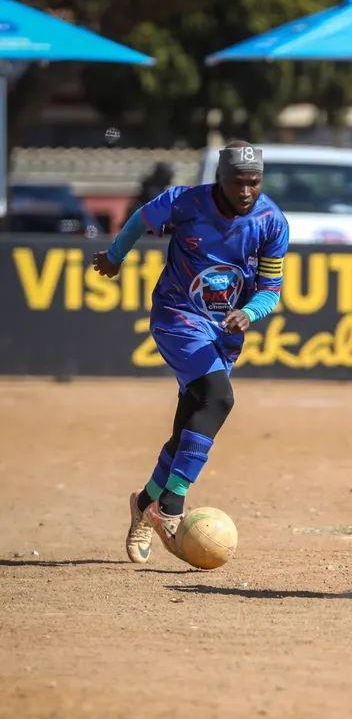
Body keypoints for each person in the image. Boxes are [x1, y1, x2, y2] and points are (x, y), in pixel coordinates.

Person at [93, 140, 288, 563]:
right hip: (177, 316)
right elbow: (141, 218)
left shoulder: (271, 222)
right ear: (220, 178)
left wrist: (249, 312)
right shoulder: (184, 202)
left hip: (225, 331)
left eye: (254, 182)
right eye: (238, 182)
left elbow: (271, 289)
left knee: (188, 426)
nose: (246, 191)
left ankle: (145, 503)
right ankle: (172, 505)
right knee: (219, 398)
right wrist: (115, 256)